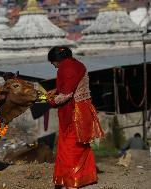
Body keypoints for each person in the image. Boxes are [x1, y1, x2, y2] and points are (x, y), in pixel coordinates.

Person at [47, 46, 105, 189]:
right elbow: (72, 86)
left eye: (53, 63)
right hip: (84, 109)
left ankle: (71, 180)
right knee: (82, 145)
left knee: (70, 146)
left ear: (57, 60)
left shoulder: (66, 68)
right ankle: (83, 178)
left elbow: (66, 94)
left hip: (74, 112)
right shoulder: (77, 65)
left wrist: (51, 101)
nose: (54, 66)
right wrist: (56, 91)